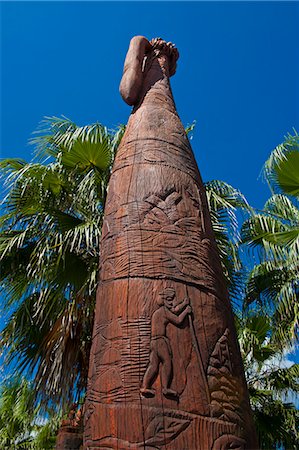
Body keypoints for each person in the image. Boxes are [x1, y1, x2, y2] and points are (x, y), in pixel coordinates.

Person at [140, 287, 191, 399]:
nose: (172, 302)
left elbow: (175, 309)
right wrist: (186, 311)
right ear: (163, 300)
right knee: (167, 362)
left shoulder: (158, 312)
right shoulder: (163, 312)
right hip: (160, 341)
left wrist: (183, 304)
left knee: (153, 364)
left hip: (153, 342)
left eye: (172, 299)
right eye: (169, 300)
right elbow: (177, 320)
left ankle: (145, 386)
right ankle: (165, 388)